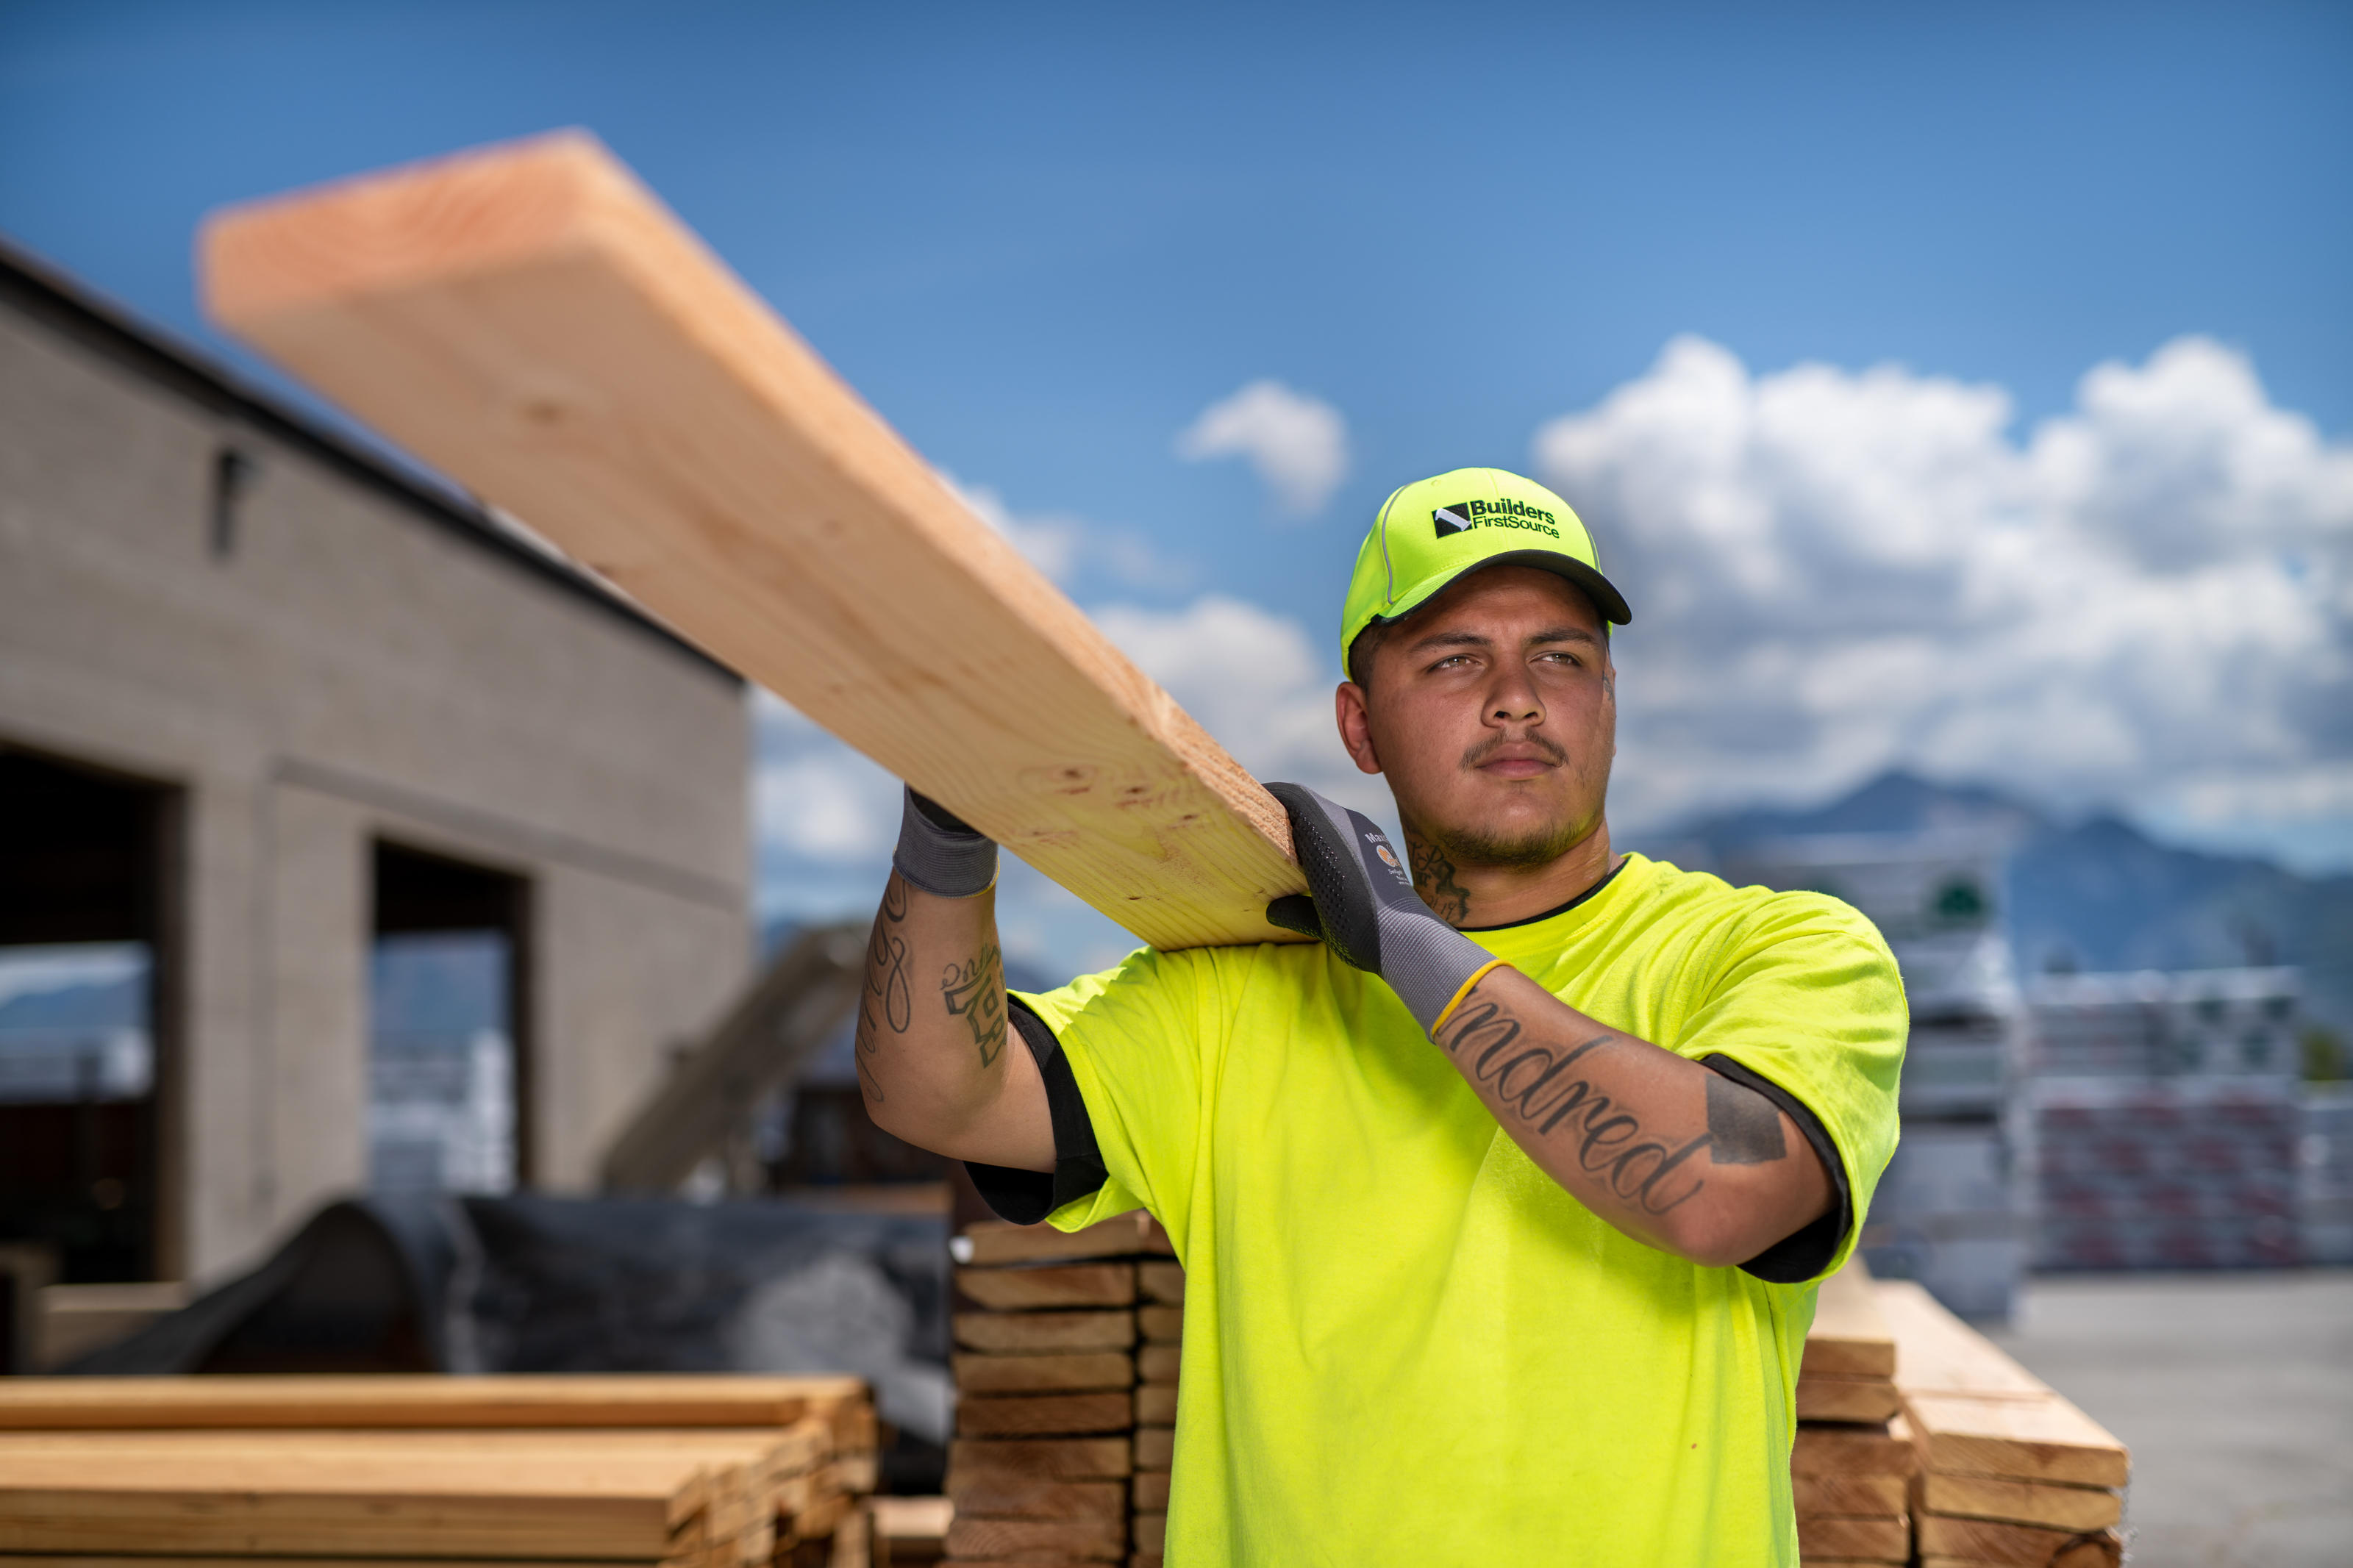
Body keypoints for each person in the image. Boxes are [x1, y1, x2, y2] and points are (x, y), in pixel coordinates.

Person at [860, 467, 1906, 1565]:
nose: (1517, 696)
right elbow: (931, 1089)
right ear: (1359, 725)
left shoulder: (1777, 952)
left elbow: (1723, 1190)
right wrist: (948, 819)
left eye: (1561, 656)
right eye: (1456, 660)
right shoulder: (1237, 997)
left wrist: (1408, 946)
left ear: (1608, 699)